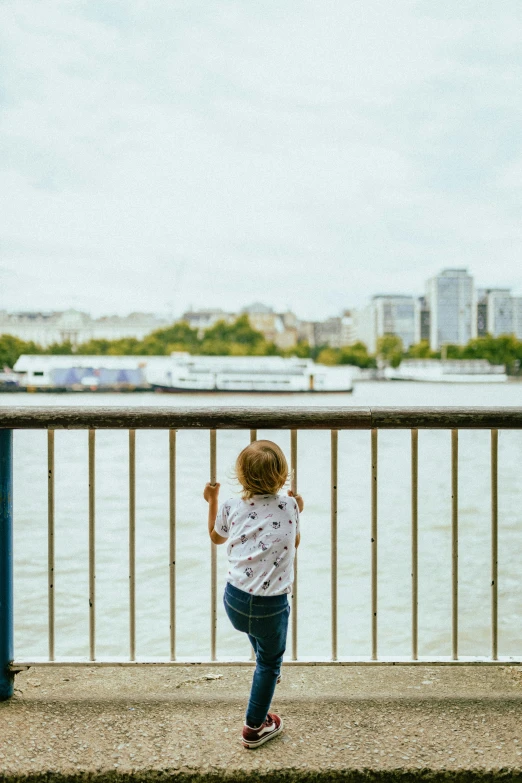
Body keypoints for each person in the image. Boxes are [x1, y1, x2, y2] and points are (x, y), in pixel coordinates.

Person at [203, 439, 303, 749]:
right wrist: (299, 507)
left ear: (242, 477)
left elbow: (215, 537)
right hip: (271, 606)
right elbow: (294, 542)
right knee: (271, 661)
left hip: (234, 600)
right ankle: (254, 727)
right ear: (282, 476)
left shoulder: (232, 506)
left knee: (259, 638)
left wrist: (212, 499)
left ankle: (267, 674)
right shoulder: (290, 506)